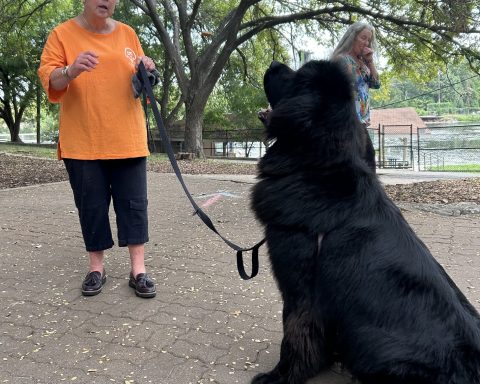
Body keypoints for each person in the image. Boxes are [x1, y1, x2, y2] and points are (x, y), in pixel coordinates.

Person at [38, 0, 157, 298]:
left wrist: (146, 67)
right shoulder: (61, 34)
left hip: (127, 137)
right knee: (91, 206)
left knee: (134, 205)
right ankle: (96, 268)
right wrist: (71, 69)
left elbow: (138, 73)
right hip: (83, 140)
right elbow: (49, 78)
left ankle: (138, 271)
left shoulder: (128, 33)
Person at [332, 21, 380, 172]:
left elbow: (376, 84)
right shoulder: (342, 60)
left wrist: (370, 62)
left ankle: (362, 193)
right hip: (348, 120)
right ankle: (365, 193)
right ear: (352, 37)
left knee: (365, 159)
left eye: (369, 40)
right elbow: (343, 86)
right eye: (363, 38)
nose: (366, 43)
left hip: (361, 120)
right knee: (367, 157)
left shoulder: (364, 63)